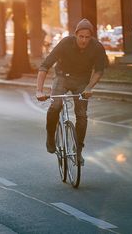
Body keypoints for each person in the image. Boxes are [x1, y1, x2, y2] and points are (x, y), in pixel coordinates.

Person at [36, 18, 107, 165]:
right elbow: (45, 66)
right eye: (81, 36)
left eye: (87, 37)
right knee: (55, 106)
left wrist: (89, 88)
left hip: (82, 81)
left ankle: (78, 151)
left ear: (91, 37)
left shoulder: (97, 47)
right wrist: (39, 90)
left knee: (82, 115)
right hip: (62, 77)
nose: (84, 40)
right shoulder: (65, 43)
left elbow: (99, 70)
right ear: (76, 34)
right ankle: (50, 136)